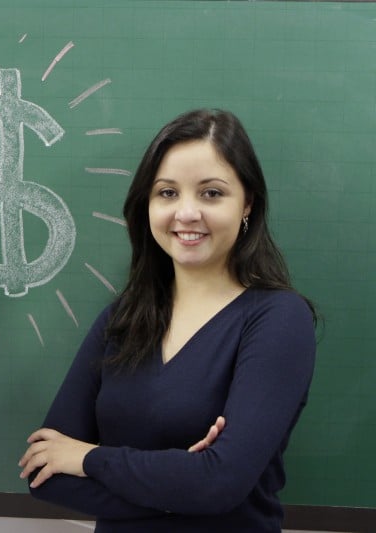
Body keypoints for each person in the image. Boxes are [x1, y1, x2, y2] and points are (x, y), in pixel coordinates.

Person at [18, 109, 316, 532]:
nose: (187, 213)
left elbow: (220, 484)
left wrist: (88, 458)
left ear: (247, 202)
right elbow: (44, 473)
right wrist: (186, 486)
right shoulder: (121, 319)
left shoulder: (279, 320)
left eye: (211, 193)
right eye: (168, 193)